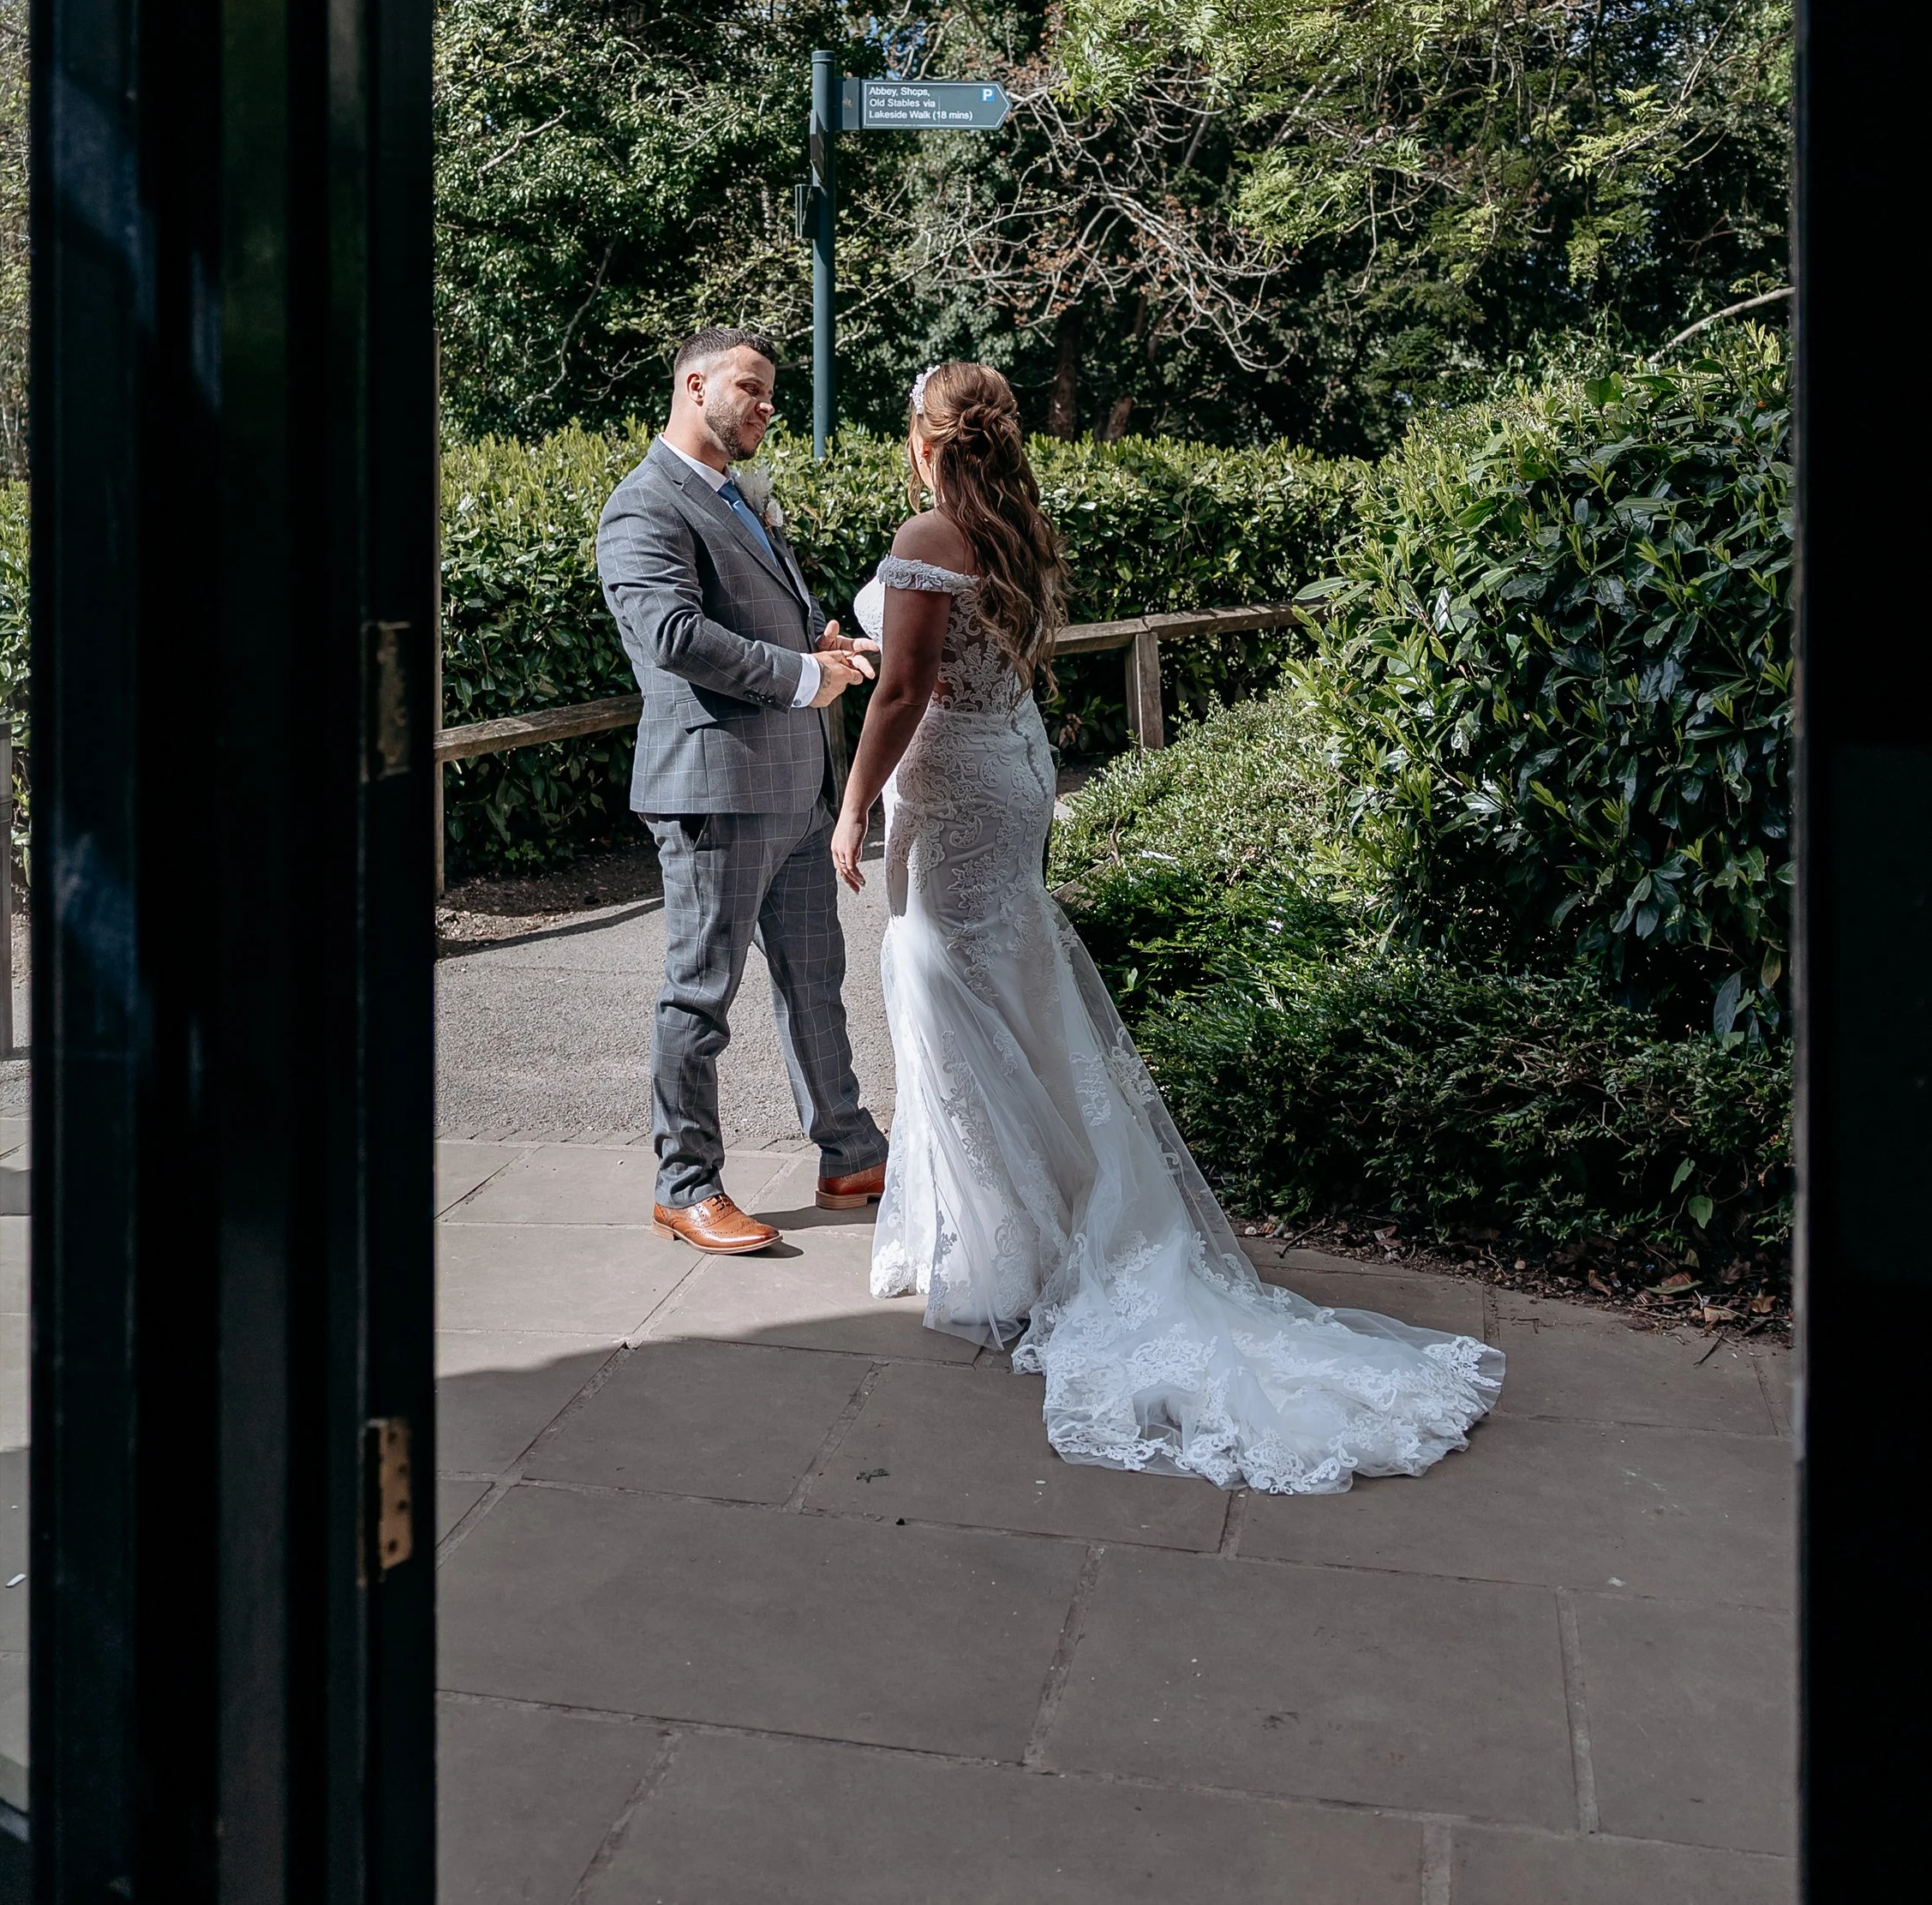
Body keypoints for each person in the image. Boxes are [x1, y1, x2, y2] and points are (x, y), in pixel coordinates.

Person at [829, 361, 1503, 1491]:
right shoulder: (1015, 532)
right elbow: (962, 667)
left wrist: (852, 807)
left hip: (952, 799)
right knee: (1008, 981)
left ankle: (1007, 1249)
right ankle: (1022, 1210)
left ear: (927, 441)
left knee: (946, 983)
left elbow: (901, 690)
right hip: (1010, 774)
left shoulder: (929, 531)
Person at [597, 328, 890, 1255]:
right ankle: (684, 1184)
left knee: (818, 984)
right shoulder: (643, 503)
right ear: (693, 383)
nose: (768, 405)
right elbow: (675, 636)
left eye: (770, 391)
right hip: (716, 790)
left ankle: (849, 1153)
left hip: (794, 785)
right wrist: (807, 676)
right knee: (700, 994)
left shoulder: (739, 496)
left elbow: (776, 619)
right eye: (752, 387)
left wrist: (825, 641)